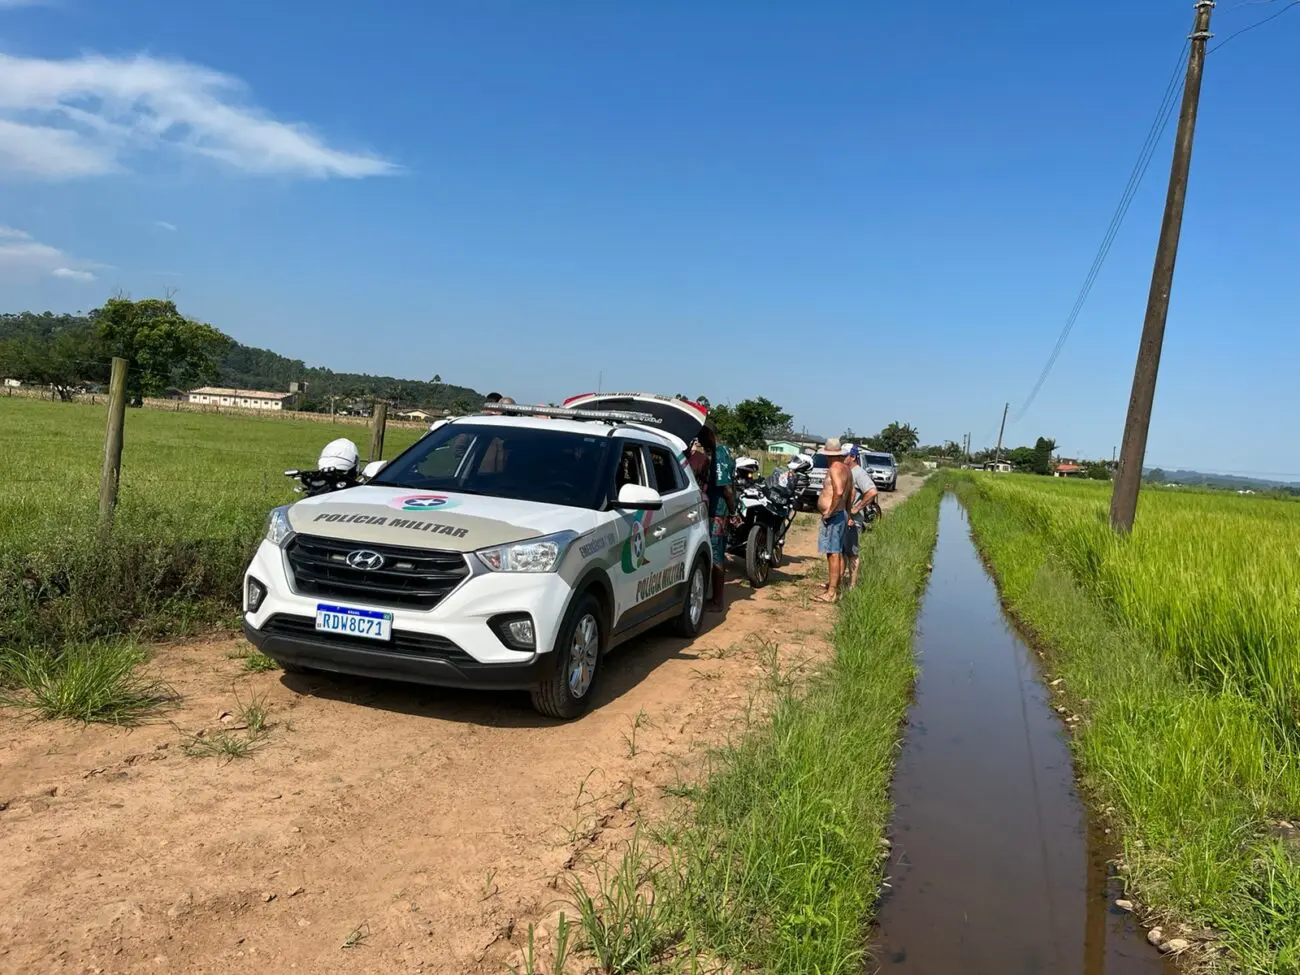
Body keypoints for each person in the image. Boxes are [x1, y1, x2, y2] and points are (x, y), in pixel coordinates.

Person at [691, 425, 735, 612]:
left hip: (718, 512)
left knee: (717, 554)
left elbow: (727, 489)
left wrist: (732, 512)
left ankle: (717, 601)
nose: (700, 442)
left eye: (702, 438)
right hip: (714, 510)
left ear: (710, 435)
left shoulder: (720, 455)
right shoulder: (718, 452)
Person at [816, 437, 852, 602]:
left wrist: (830, 511)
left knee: (833, 553)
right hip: (841, 513)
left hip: (834, 516)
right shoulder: (846, 468)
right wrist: (848, 513)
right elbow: (851, 494)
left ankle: (831, 593)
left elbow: (838, 491)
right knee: (835, 552)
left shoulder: (835, 468)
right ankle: (833, 587)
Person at [843, 445, 880, 590]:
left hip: (854, 520)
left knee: (852, 553)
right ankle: (838, 583)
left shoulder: (859, 473)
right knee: (841, 552)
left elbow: (872, 492)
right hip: (843, 519)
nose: (841, 458)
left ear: (852, 457)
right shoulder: (845, 471)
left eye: (844, 456)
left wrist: (857, 508)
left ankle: (852, 586)